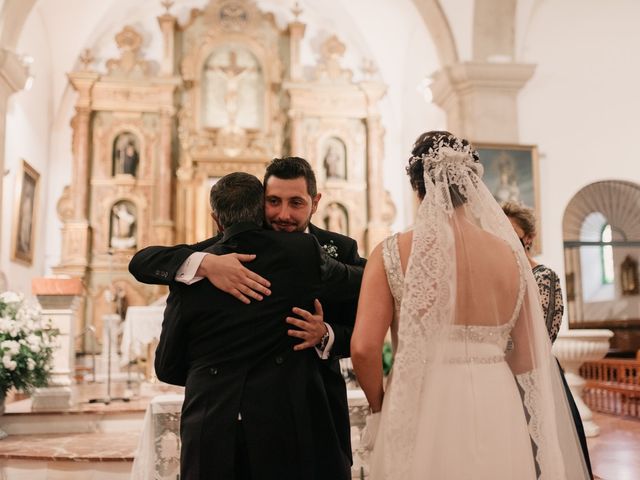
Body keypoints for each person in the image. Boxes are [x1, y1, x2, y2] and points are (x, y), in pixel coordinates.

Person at [351, 131, 590, 479]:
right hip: (498, 396)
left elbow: (363, 347)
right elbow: (526, 357)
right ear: (473, 184)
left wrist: (378, 407)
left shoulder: (392, 252)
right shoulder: (510, 255)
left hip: (425, 398)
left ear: (417, 186)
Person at [129, 156, 365, 466]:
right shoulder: (220, 249)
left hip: (317, 408)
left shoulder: (338, 248)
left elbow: (367, 317)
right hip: (253, 421)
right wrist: (205, 263)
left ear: (315, 201)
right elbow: (142, 262)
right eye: (273, 202)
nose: (283, 214)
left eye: (295, 203)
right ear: (258, 204)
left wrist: (327, 334)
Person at [503, 200, 594, 478]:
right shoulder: (498, 277)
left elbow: (542, 335)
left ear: (528, 238)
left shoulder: (543, 278)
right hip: (501, 376)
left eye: (513, 234)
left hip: (536, 373)